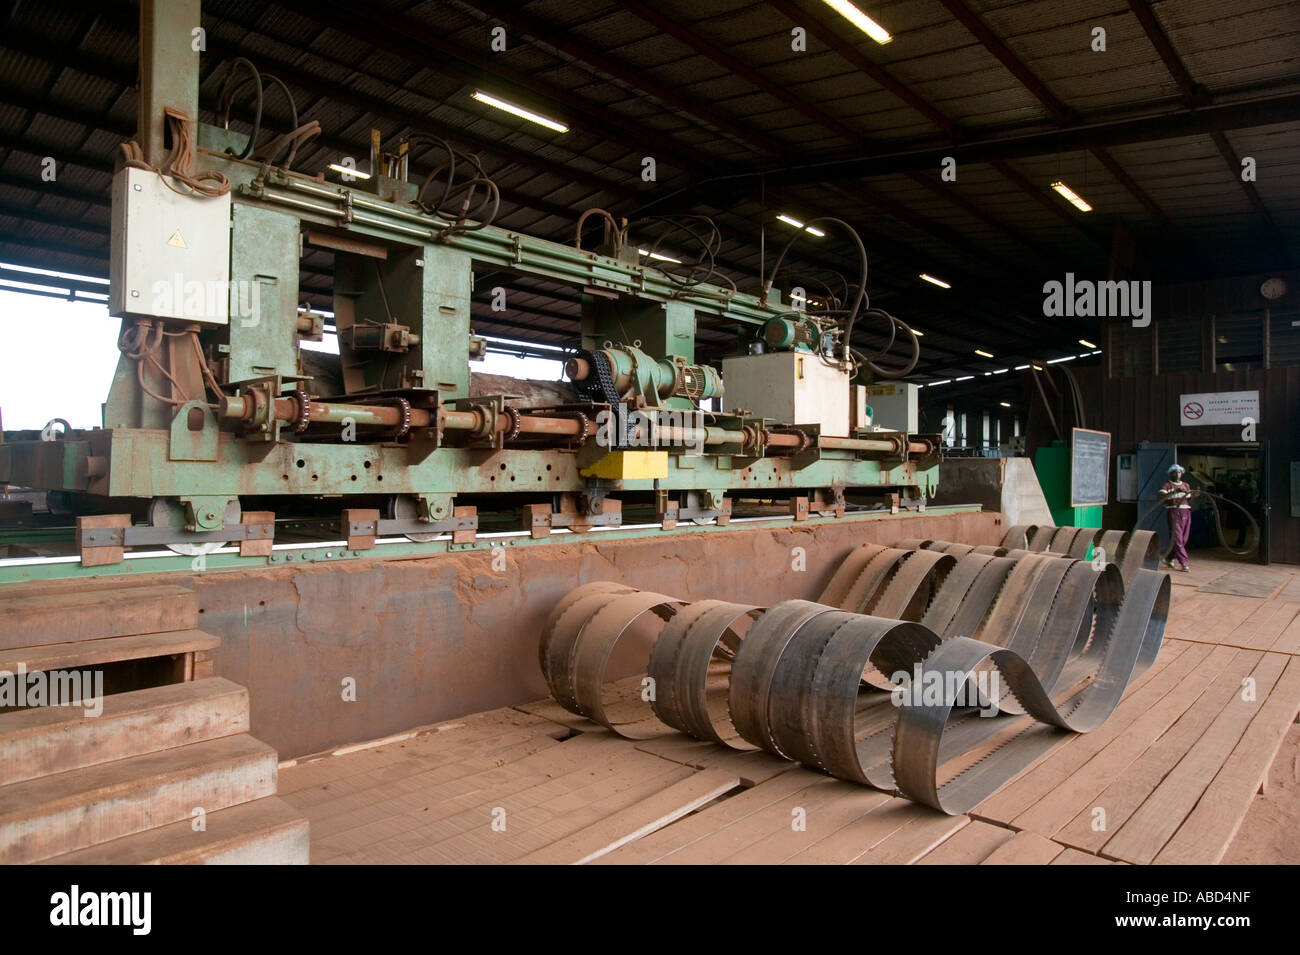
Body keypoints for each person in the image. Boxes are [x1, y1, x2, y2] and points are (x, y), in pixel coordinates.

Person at [1158, 464, 1199, 571]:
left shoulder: (1186, 485)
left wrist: (1194, 495)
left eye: (1179, 472)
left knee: (1183, 539)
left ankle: (1169, 558)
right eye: (1175, 472)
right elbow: (1161, 497)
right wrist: (1175, 491)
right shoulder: (1167, 485)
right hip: (1174, 511)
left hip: (1186, 512)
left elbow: (1188, 499)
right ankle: (1184, 563)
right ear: (1170, 474)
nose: (1177, 474)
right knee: (1177, 538)